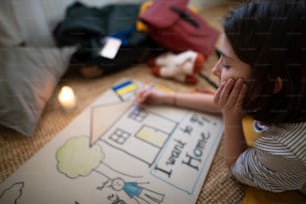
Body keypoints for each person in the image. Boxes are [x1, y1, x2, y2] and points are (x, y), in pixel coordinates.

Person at [135, 0, 306, 195]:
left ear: (271, 84)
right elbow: (229, 102)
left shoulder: (284, 150)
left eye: (227, 65)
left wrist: (231, 115)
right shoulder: (289, 84)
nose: (215, 70)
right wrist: (166, 98)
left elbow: (237, 167)